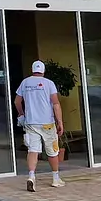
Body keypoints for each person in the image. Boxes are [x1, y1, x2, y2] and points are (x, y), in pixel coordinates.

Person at [14, 60, 65, 192]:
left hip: (31, 122)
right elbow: (56, 104)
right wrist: (60, 121)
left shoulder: (25, 82)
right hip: (47, 123)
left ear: (32, 70)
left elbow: (17, 101)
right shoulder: (49, 83)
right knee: (52, 151)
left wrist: (21, 114)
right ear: (43, 71)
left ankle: (31, 176)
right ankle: (56, 178)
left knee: (33, 150)